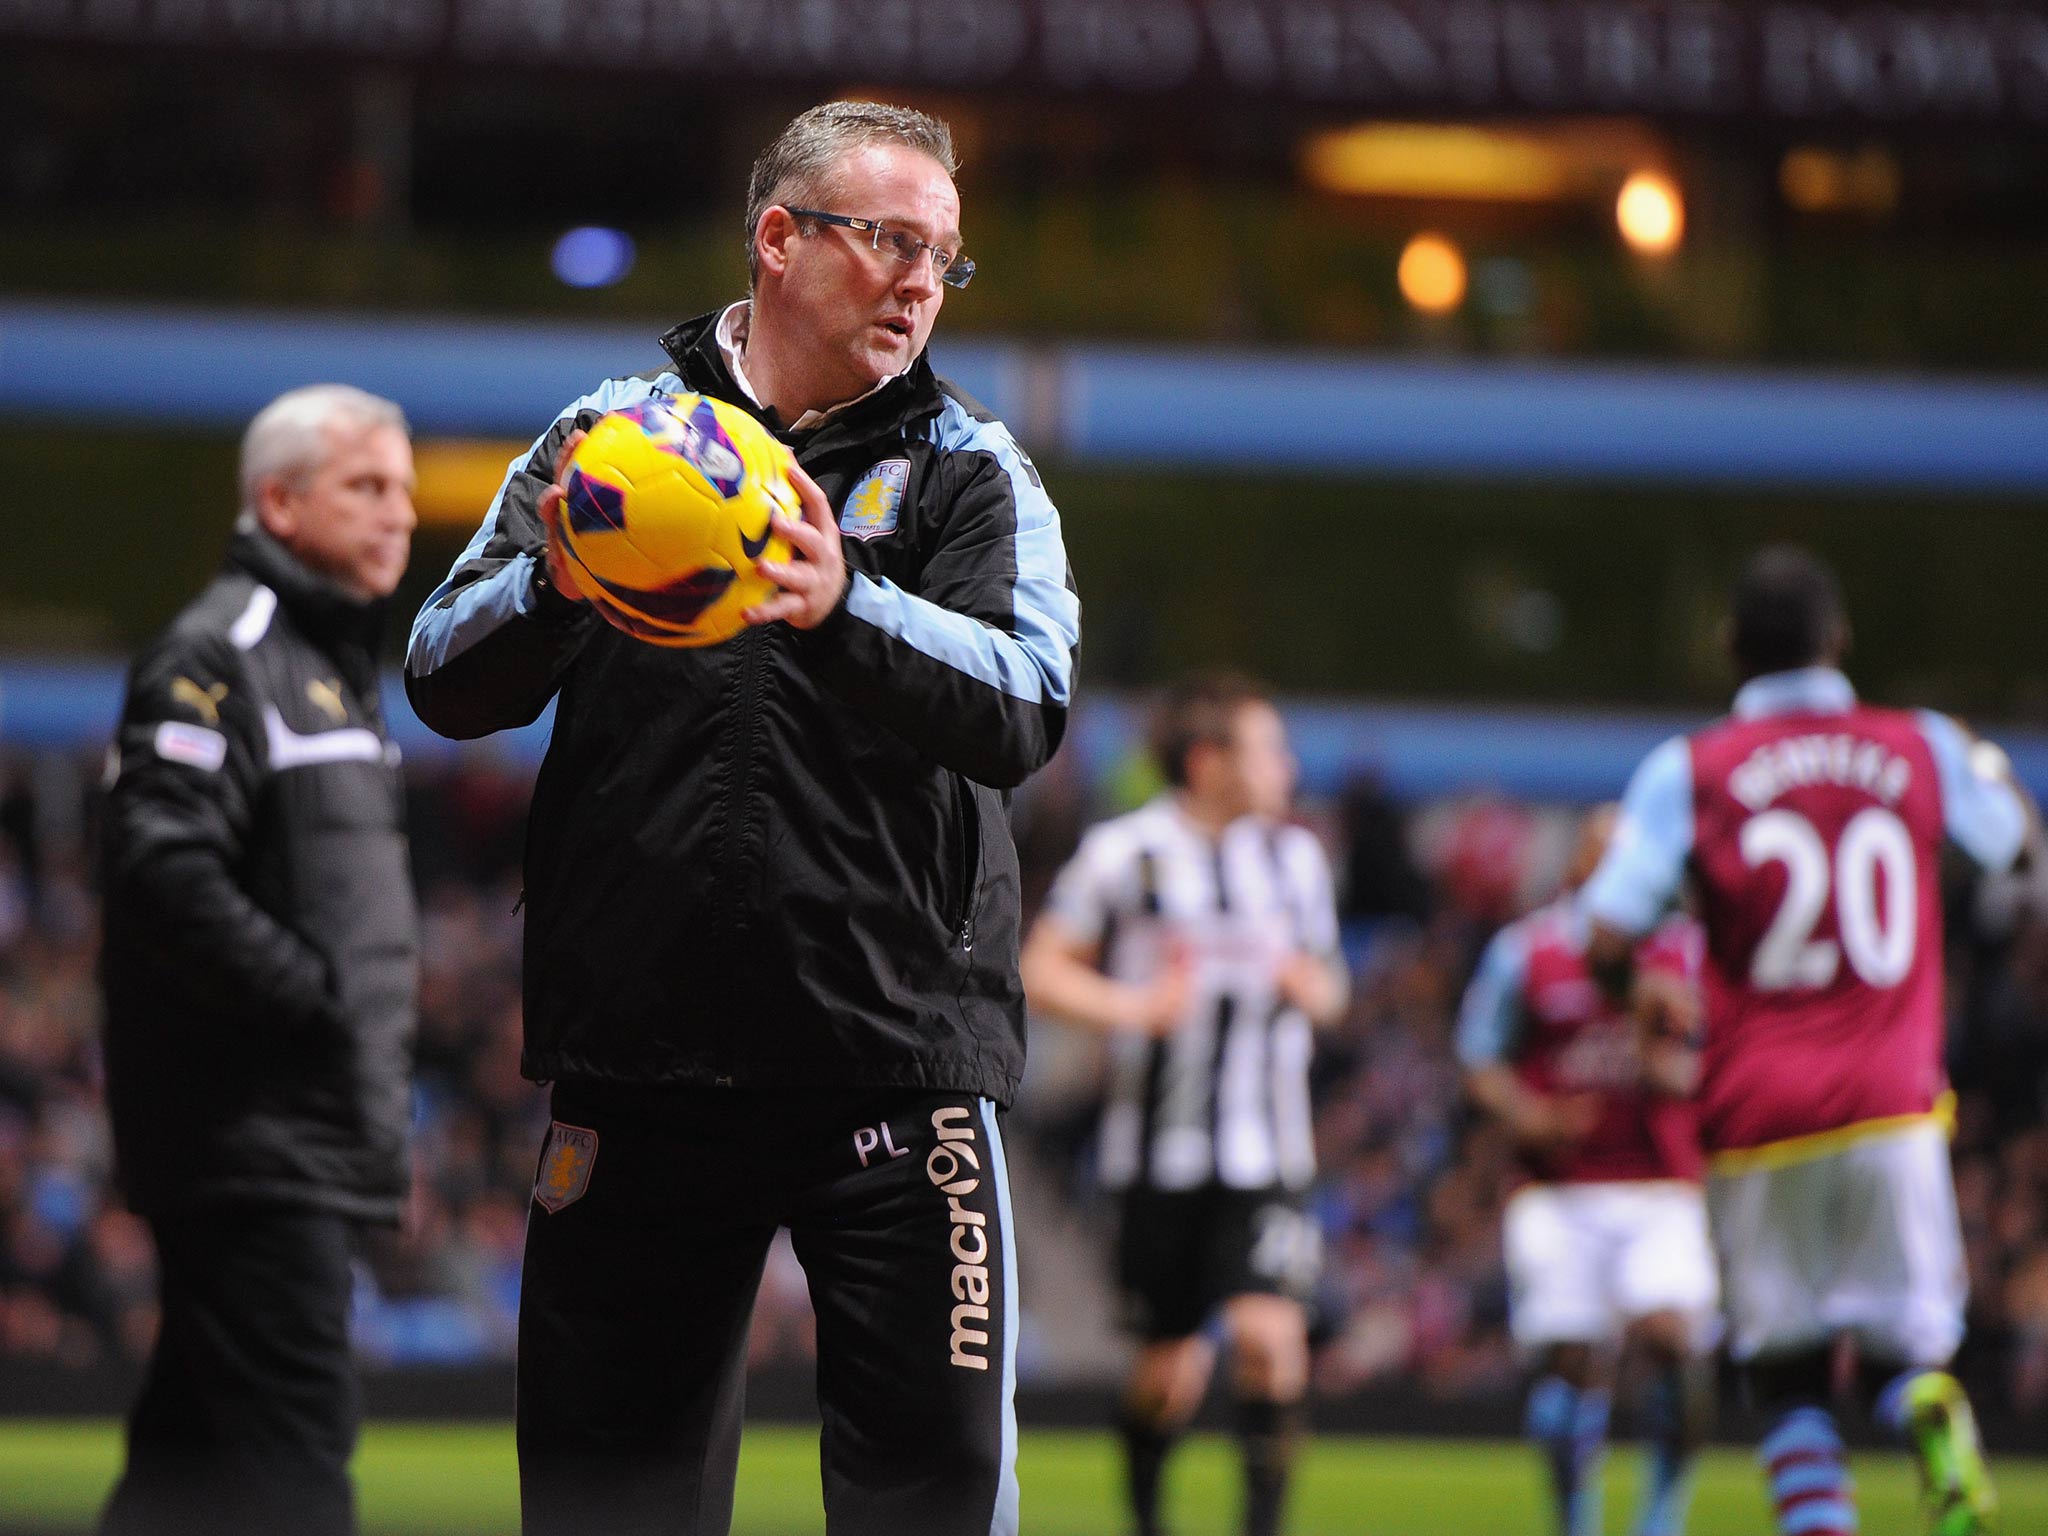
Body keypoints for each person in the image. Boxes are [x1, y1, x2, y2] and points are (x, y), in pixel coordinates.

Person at [405, 100, 1078, 1536]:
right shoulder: (603, 442)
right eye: (890, 241)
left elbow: (1029, 701)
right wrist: (556, 588)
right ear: (779, 240)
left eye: (943, 259)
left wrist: (848, 607)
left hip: (899, 1078)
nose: (918, 283)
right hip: (641, 1072)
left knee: (936, 1510)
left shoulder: (973, 470)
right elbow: (440, 670)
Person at [1581, 547, 2039, 1536]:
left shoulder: (1688, 768)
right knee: (1902, 1346)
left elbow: (1606, 932)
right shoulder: (1916, 744)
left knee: (1782, 1365)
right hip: (1896, 1097)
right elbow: (2015, 851)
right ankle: (1926, 1414)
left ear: (1727, 647)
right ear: (1837, 642)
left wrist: (1641, 989)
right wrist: (1983, 763)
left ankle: (1819, 1526)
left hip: (1757, 1109)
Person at [97, 384, 420, 1536]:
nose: (399, 514)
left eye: (403, 489)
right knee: (295, 1475)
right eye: (366, 487)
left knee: (183, 1467)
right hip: (255, 1142)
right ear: (278, 502)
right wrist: (318, 1009)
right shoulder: (222, 652)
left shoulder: (325, 664)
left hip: (288, 1135)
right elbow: (159, 871)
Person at [1020, 673, 1348, 1536]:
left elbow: (1330, 990)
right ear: (1207, 762)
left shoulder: (1295, 859)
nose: (1287, 765)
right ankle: (1149, 1518)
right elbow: (1040, 969)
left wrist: (1313, 991)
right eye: (1268, 748)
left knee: (1269, 1341)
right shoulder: (1127, 855)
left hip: (1270, 1154)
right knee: (1168, 1376)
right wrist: (1135, 1010)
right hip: (1156, 1154)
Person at [1457, 805, 1716, 1536]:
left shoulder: (1688, 953)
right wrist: (1526, 1114)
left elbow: (1726, 1062)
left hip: (1663, 1184)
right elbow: (1479, 1058)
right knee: (1570, 1363)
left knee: (1669, 1337)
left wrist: (1679, 1072)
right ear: (1577, 864)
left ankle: (1662, 1514)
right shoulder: (1527, 950)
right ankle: (1577, 1519)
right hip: (1558, 1190)